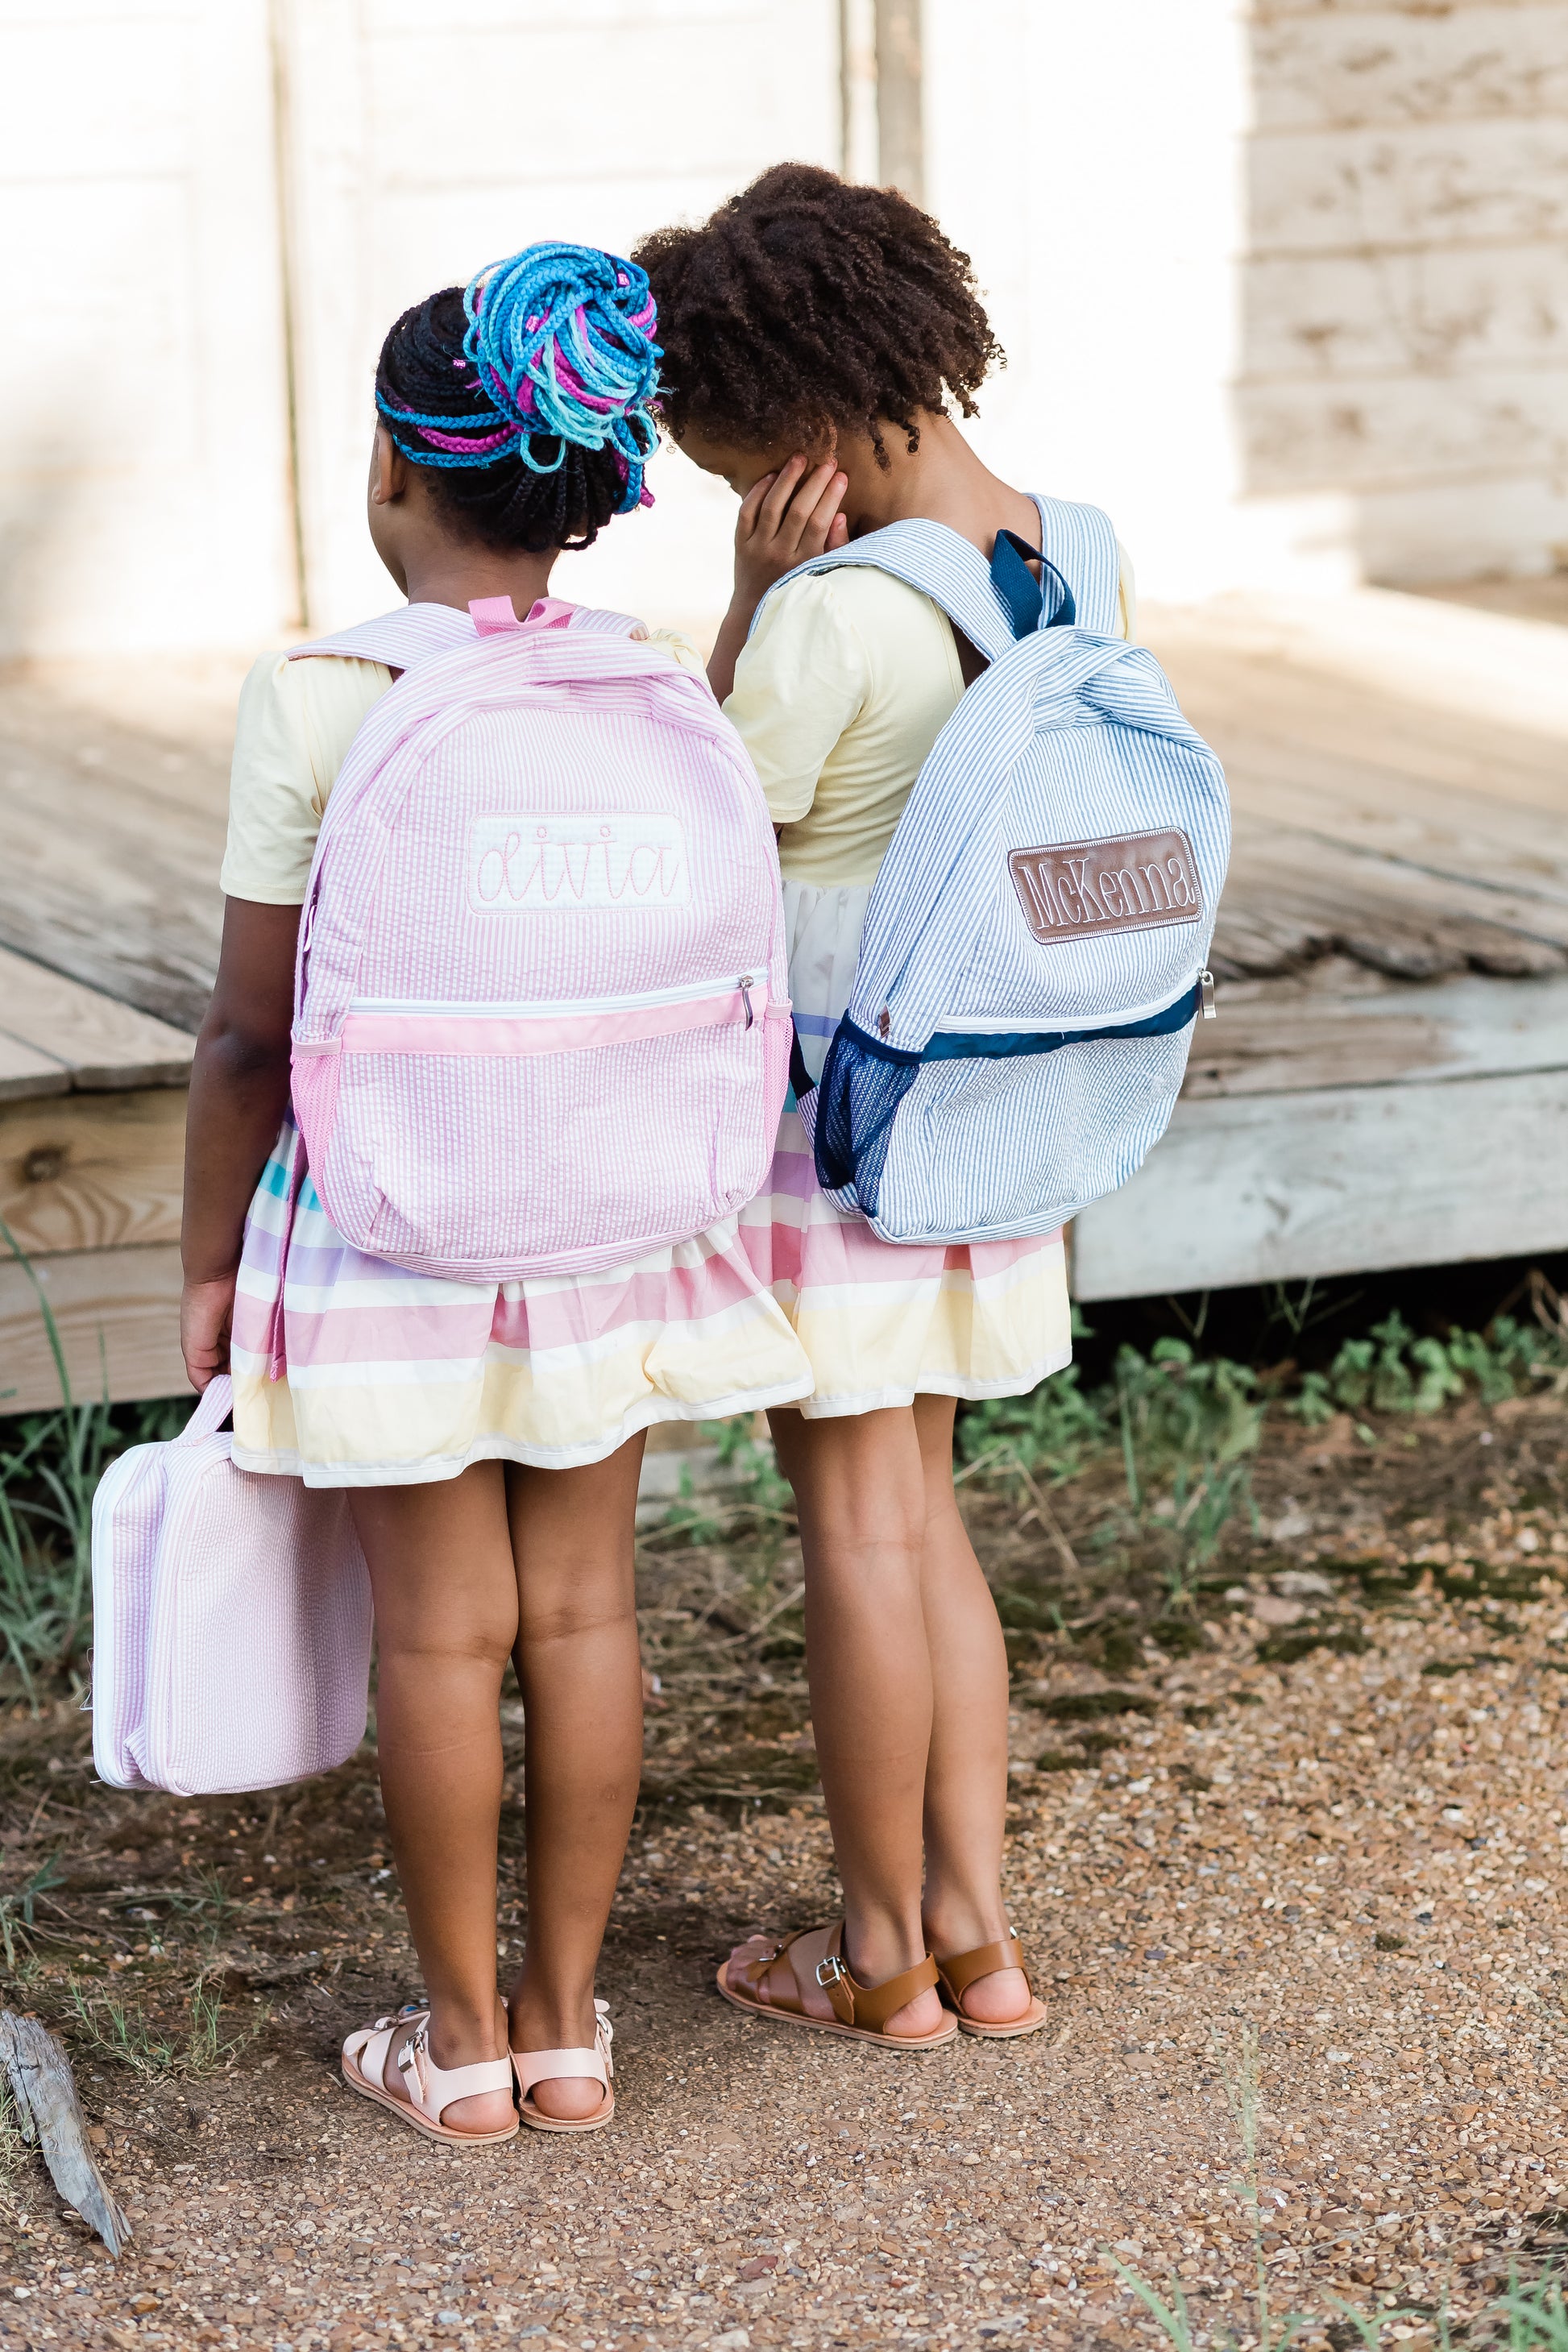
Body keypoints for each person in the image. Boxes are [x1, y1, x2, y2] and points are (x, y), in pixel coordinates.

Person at [180, 245, 813, 2140]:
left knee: (441, 1633)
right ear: (597, 478)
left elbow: (238, 1034)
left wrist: (212, 1266)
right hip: (613, 1217)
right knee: (584, 1618)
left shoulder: (319, 692)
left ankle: (454, 2044)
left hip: (390, 1224)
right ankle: (570, 2027)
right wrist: (746, 610)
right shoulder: (649, 690)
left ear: (394, 467)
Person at [635, 167, 1136, 2048]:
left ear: (806, 433)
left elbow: (703, 828)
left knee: (851, 1511)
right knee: (923, 1509)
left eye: (731, 466)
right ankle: (978, 1937)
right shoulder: (1077, 546)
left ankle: (875, 1950)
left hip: (836, 1120)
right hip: (1009, 1104)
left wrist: (751, 600)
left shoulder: (830, 615)